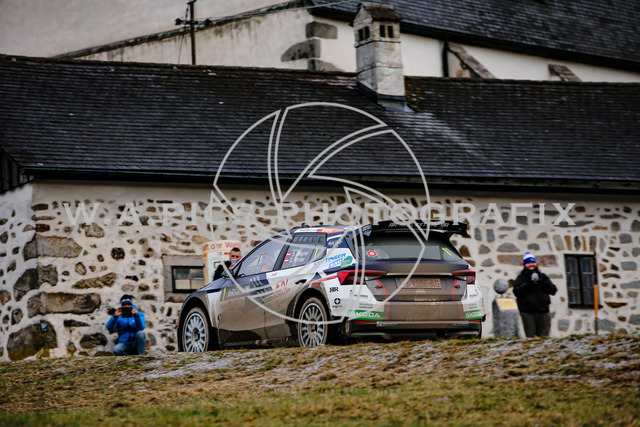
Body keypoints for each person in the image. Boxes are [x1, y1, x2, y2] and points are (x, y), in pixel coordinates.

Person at [513, 252, 558, 337]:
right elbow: (517, 292)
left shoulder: (543, 276)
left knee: (544, 336)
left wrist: (542, 282)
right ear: (525, 265)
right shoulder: (521, 278)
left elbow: (553, 290)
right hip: (528, 312)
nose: (531, 265)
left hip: (543, 311)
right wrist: (528, 283)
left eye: (533, 262)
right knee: (530, 337)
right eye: (529, 263)